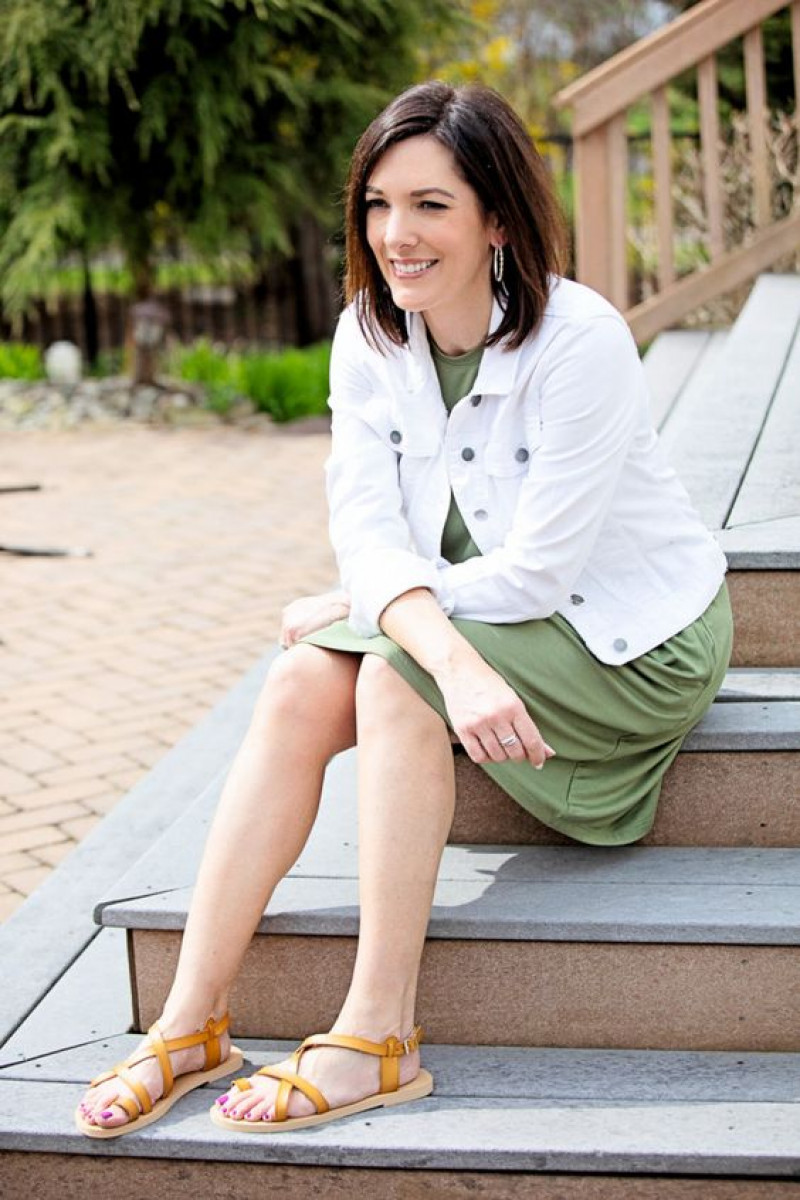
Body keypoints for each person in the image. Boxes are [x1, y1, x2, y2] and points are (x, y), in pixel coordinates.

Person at [75, 79, 732, 1139]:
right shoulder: (368, 337)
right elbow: (368, 532)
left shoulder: (579, 339)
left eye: (429, 204)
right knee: (299, 682)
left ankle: (378, 1034)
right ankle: (189, 1023)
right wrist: (395, 605)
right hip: (472, 621)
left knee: (392, 673)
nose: (395, 234)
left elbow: (537, 574)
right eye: (377, 205)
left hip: (629, 640)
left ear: (496, 219)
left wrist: (393, 620)